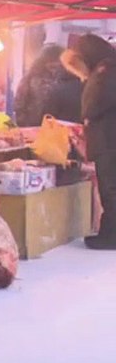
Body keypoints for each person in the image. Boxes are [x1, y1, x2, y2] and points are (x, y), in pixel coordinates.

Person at [61, 33, 116, 250]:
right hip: (109, 138)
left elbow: (91, 107)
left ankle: (110, 237)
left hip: (108, 140)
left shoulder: (105, 73)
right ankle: (108, 233)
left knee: (110, 189)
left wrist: (85, 117)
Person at [14, 44, 83, 127]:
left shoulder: (29, 79)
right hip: (61, 131)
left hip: (32, 131)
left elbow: (19, 106)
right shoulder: (73, 80)